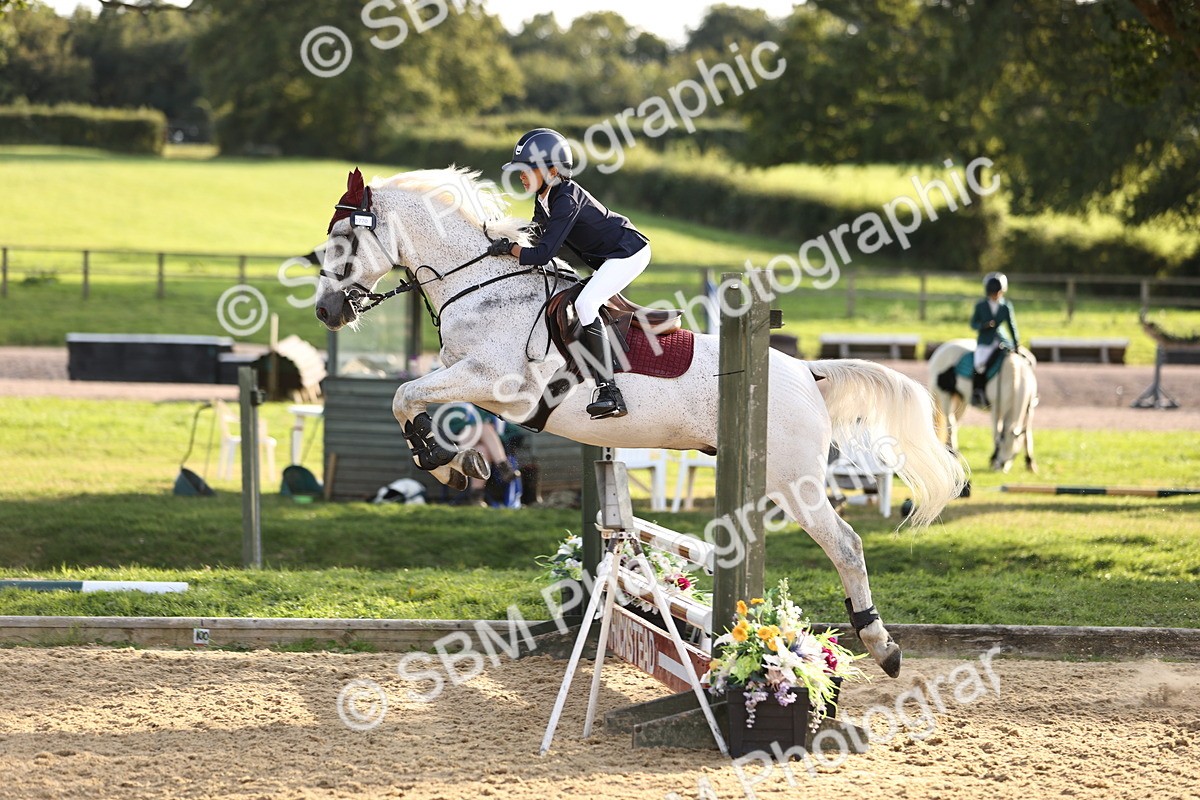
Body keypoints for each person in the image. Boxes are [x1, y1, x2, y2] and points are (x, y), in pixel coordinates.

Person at [486, 128, 650, 420]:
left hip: (628, 252)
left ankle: (610, 392)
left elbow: (542, 254)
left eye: (527, 169)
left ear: (551, 170)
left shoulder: (566, 199)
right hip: (608, 258)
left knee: (586, 303)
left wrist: (510, 249)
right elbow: (536, 235)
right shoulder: (545, 198)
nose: (521, 176)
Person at [969, 271, 1020, 406]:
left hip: (1002, 340)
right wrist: (984, 326)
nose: (996, 295)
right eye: (993, 292)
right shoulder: (981, 306)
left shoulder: (1005, 306)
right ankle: (978, 391)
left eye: (998, 292)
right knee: (979, 364)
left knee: (1020, 361)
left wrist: (1016, 343)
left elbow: (1011, 325)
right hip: (985, 341)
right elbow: (973, 324)